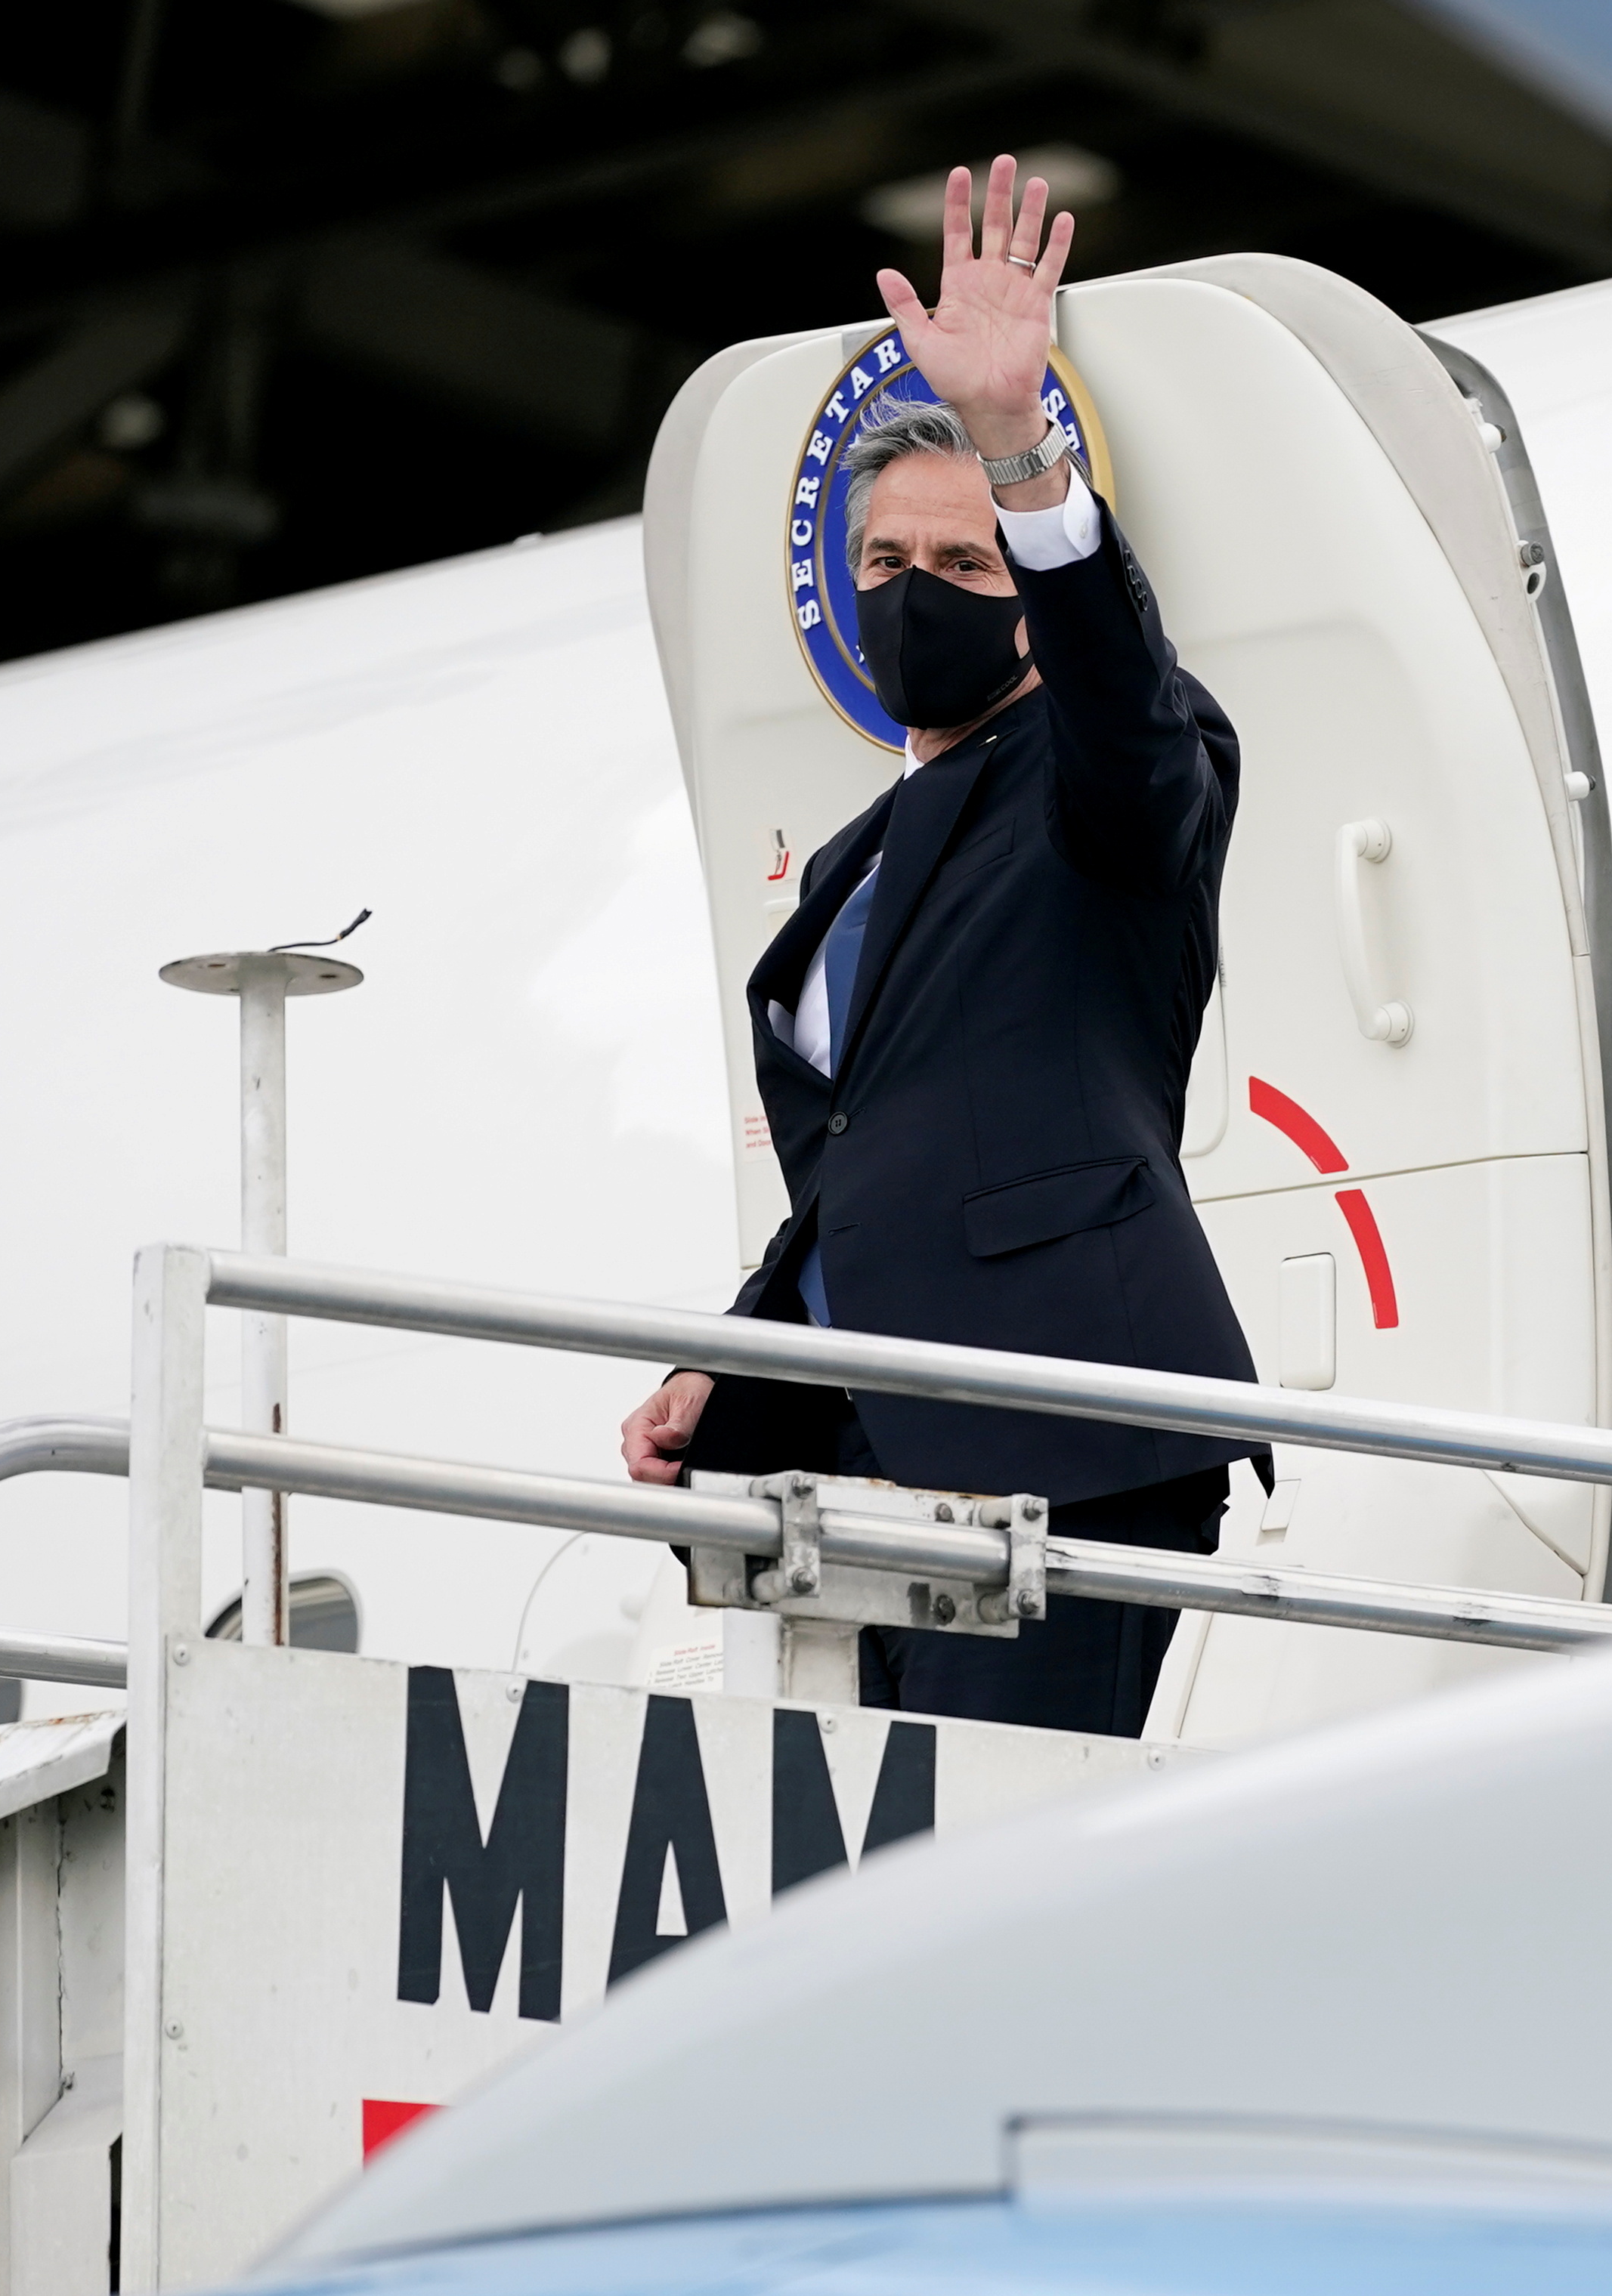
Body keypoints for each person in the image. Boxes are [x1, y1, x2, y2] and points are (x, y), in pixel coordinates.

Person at [617, 155, 1257, 1738]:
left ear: (1029, 597)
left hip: (1060, 1437)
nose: (919, 594)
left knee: (1005, 1847)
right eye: (888, 565)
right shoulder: (854, 860)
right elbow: (866, 1164)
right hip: (866, 1463)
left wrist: (1019, 452)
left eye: (965, 565)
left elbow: (1122, 703)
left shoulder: (1113, 773)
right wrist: (735, 1358)